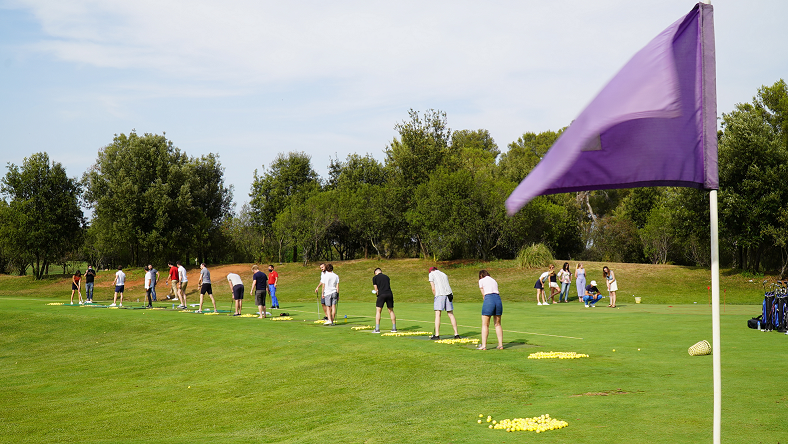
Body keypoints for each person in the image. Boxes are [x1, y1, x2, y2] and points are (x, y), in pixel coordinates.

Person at [428, 266, 459, 340]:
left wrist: (435, 296)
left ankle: (437, 335)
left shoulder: (431, 274)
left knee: (438, 314)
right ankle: (456, 334)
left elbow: (433, 288)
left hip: (440, 295)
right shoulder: (444, 274)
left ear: (431, 271)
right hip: (449, 294)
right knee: (451, 314)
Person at [478, 270, 503, 350]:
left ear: (481, 275)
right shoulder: (494, 280)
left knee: (485, 324)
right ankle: (500, 345)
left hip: (489, 299)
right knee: (498, 324)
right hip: (498, 299)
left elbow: (483, 294)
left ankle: (484, 346)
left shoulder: (481, 280)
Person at [372, 268, 396, 333]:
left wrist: (376, 294)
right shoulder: (387, 277)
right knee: (391, 311)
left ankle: (377, 329)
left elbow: (376, 289)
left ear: (376, 273)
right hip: (389, 294)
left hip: (381, 294)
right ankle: (394, 328)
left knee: (378, 311)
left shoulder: (375, 278)